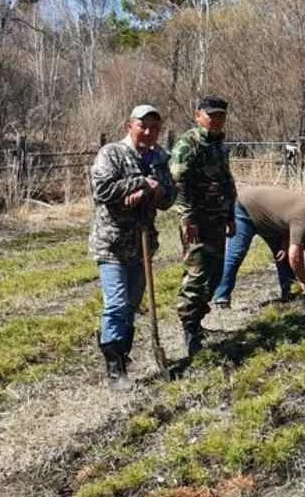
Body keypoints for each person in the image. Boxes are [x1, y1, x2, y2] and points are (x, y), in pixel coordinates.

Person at [89, 104, 176, 390]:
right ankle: (114, 370)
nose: (149, 132)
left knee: (130, 306)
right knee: (115, 304)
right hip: (112, 243)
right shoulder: (111, 153)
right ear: (130, 126)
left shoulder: (160, 157)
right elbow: (101, 190)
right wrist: (139, 184)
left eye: (154, 127)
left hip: (142, 244)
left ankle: (121, 355)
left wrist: (157, 192)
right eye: (143, 126)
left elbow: (169, 195)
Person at [170, 95, 237, 357]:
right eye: (211, 116)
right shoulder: (188, 144)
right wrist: (187, 218)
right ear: (198, 116)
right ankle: (189, 328)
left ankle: (198, 320)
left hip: (218, 219)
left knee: (215, 273)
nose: (216, 120)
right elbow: (179, 183)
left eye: (220, 116)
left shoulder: (220, 145)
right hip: (196, 221)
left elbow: (226, 181)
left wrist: (230, 214)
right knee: (197, 274)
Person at [212, 186, 305, 308]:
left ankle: (289, 292)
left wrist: (284, 246)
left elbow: (287, 223)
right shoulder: (304, 215)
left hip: (268, 219)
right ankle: (221, 299)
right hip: (246, 208)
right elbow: (295, 257)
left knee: (283, 255)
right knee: (235, 255)